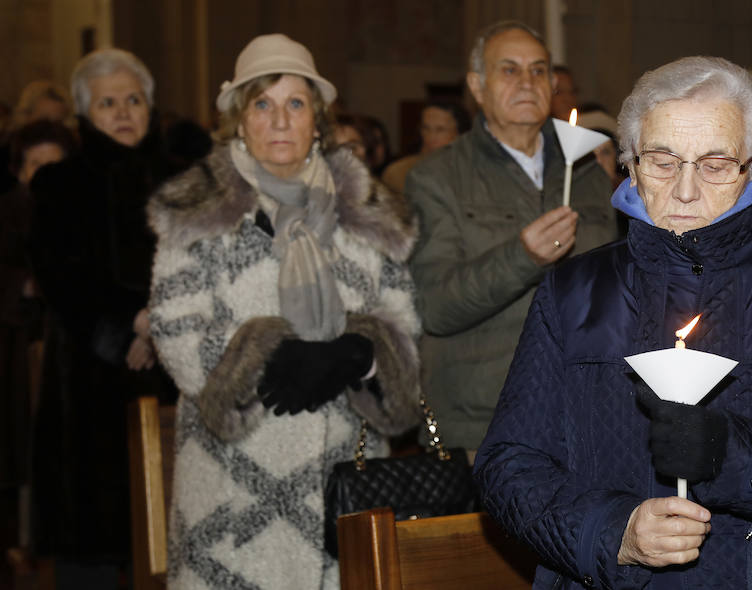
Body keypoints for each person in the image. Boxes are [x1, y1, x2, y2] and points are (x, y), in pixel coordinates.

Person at [474, 56, 752, 589]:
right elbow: (508, 467)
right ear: (628, 163)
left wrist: (736, 457)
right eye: (662, 160)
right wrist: (614, 532)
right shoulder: (574, 293)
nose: (685, 190)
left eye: (716, 163)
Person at [147, 34, 421, 590]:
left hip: (342, 481)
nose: (279, 120)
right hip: (230, 488)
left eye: (295, 104)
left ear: (317, 120)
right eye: (262, 104)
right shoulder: (196, 211)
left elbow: (405, 329)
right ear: (239, 119)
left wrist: (360, 354)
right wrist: (265, 356)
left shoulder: (369, 214)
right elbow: (173, 328)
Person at [407, 20, 620, 455]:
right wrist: (523, 257)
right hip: (487, 423)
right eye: (509, 70)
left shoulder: (583, 170)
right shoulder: (437, 177)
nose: (527, 82)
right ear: (477, 86)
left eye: (539, 71)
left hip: (585, 414)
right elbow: (434, 307)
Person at [27, 48, 185, 589]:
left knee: (174, 532)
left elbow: (205, 266)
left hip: (175, 371)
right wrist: (129, 326)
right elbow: (62, 277)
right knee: (89, 542)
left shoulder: (181, 181)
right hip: (88, 379)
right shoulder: (59, 184)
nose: (123, 113)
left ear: (151, 105)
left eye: (133, 100)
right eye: (107, 103)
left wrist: (160, 323)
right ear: (84, 114)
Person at [0, 120, 75, 576]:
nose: (45, 174)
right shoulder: (8, 210)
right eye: (35, 165)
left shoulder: (82, 211)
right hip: (15, 350)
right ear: (19, 170)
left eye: (55, 164)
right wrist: (25, 286)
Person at [381, 100, 470, 193]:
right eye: (426, 128)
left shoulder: (470, 172)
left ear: (459, 134)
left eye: (440, 130)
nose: (431, 137)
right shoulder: (398, 172)